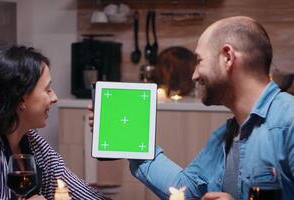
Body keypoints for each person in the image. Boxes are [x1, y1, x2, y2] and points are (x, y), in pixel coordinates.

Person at [87, 16, 294, 200]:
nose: (194, 75)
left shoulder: (289, 122)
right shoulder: (225, 136)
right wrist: (130, 140)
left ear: (228, 57)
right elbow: (185, 190)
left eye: (199, 60)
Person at [0, 46, 109, 200]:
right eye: (47, 90)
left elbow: (81, 192)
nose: (54, 98)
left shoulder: (33, 142)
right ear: (20, 98)